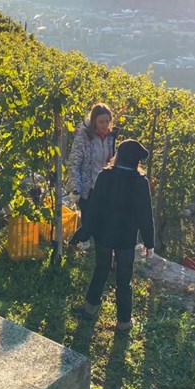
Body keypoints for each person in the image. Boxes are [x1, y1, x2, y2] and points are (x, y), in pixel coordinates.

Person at [75, 139, 155, 331]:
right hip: (126, 238)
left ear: (118, 156)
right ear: (137, 161)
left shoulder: (105, 176)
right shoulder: (140, 182)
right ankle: (124, 322)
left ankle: (89, 309)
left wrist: (83, 233)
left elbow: (94, 207)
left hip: (103, 234)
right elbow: (145, 214)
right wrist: (149, 242)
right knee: (124, 279)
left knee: (101, 269)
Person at [67, 103, 119, 246]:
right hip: (88, 187)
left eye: (107, 121)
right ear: (94, 121)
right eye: (101, 122)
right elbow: (74, 163)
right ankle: (77, 243)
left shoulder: (111, 138)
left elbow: (113, 160)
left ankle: (97, 248)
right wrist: (76, 187)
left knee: (103, 221)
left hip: (106, 187)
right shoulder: (84, 137)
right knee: (89, 222)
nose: (105, 125)